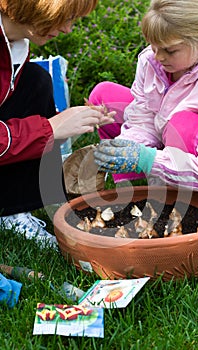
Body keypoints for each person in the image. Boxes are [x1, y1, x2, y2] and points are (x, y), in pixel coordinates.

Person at [0, 0, 114, 247]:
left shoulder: (13, 44)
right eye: (67, 17)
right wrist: (50, 128)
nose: (68, 29)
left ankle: (12, 209)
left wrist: (72, 121)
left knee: (35, 82)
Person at [92, 0, 198, 196]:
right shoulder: (153, 59)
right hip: (168, 134)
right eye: (154, 45)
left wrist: (148, 159)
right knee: (104, 96)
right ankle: (131, 190)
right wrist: (126, 147)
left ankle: (196, 203)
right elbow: (144, 116)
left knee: (183, 125)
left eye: (170, 50)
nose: (158, 57)